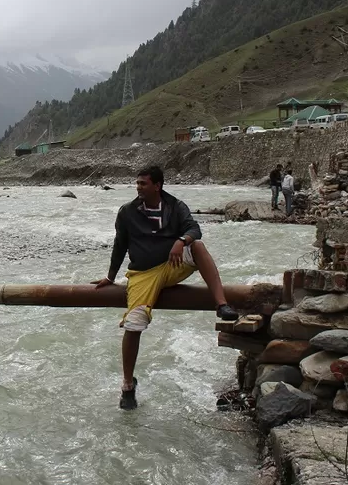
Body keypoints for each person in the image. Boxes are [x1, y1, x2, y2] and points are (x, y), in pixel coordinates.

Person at [92, 165, 239, 410]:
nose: (138, 187)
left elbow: (195, 229)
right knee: (134, 323)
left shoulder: (175, 206)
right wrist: (110, 276)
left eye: (143, 183)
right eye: (137, 183)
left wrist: (182, 241)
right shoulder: (127, 212)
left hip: (172, 264)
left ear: (158, 185)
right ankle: (128, 385)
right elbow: (120, 245)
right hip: (142, 274)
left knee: (198, 246)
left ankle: (221, 304)